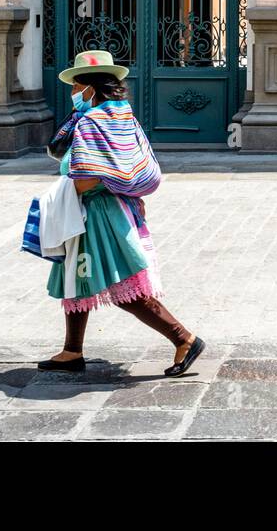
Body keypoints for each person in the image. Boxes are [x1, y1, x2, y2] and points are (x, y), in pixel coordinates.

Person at [38, 50, 206, 378]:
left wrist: (66, 190)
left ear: (89, 87)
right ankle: (72, 350)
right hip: (115, 209)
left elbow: (87, 178)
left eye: (76, 85)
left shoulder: (91, 121)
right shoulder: (122, 117)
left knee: (123, 286)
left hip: (99, 215)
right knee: (77, 278)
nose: (73, 92)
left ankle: (184, 337)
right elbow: (128, 166)